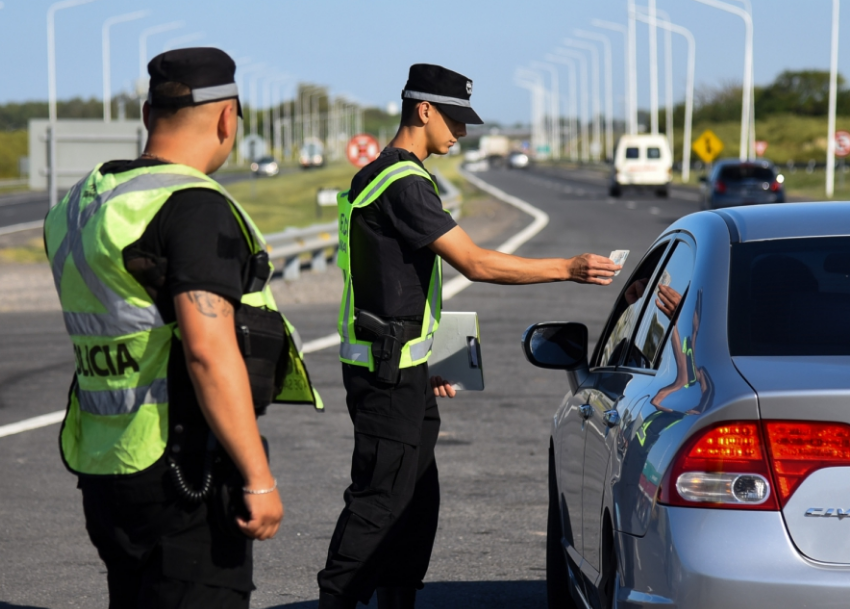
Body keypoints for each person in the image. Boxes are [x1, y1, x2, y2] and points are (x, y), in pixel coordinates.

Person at [318, 63, 621, 609]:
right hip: (385, 372)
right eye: (454, 120)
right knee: (380, 502)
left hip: (397, 364)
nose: (460, 133)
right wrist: (568, 268)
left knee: (414, 499)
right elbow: (476, 263)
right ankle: (337, 600)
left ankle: (395, 599)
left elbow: (388, 283)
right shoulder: (402, 182)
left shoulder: (387, 176)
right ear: (423, 110)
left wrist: (423, 362)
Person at [44, 47, 321, 609]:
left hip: (104, 462)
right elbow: (207, 352)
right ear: (227, 118)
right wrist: (258, 477)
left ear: (148, 116)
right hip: (182, 468)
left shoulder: (79, 205)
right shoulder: (191, 205)